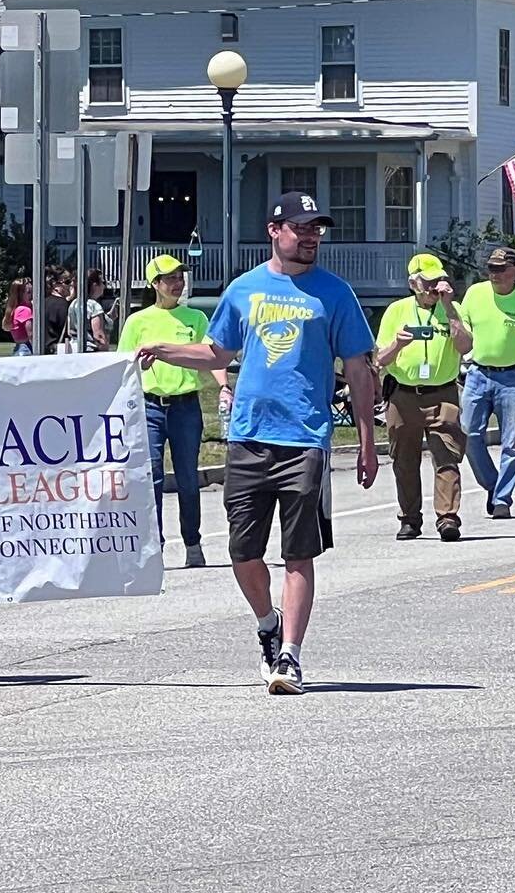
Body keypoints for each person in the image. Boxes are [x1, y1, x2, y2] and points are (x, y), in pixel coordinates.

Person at [136, 192, 377, 696]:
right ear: (275, 230)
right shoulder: (245, 289)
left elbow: (357, 368)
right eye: (301, 228)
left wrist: (368, 440)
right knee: (243, 552)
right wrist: (162, 349)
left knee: (298, 554)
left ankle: (289, 655)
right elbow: (216, 351)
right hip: (248, 437)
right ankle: (267, 622)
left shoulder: (335, 294)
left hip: (306, 439)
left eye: (316, 230)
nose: (310, 237)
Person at [116, 254, 211, 568]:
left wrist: (225, 385)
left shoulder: (195, 318)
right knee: (151, 478)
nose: (177, 283)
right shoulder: (138, 321)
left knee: (187, 478)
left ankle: (193, 544)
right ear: (154, 284)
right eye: (170, 278)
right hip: (150, 407)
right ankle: (153, 546)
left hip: (186, 407)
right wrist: (136, 366)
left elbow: (211, 355)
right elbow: (122, 365)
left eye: (180, 277)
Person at [375, 254, 472, 543]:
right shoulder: (396, 310)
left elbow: (465, 346)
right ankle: (409, 519)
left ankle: (448, 518)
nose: (435, 287)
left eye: (439, 281)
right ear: (413, 283)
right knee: (404, 460)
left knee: (447, 456)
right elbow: (379, 358)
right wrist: (398, 343)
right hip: (404, 395)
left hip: (443, 393)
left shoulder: (452, 309)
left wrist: (449, 310)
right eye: (429, 282)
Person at [458, 247, 515, 520]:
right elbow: (461, 333)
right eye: (491, 269)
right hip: (478, 374)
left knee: (511, 444)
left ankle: (501, 499)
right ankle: (493, 485)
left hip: (513, 378)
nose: (494, 274)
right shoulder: (475, 293)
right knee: (470, 436)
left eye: (500, 269)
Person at [68, 268, 111, 352]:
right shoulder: (94, 306)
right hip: (90, 351)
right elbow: (99, 336)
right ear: (95, 285)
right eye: (102, 282)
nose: (104, 286)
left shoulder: (74, 303)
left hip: (73, 348)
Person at [2, 277, 34, 356]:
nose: (32, 295)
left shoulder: (17, 309)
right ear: (20, 294)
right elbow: (31, 335)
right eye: (29, 292)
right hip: (27, 349)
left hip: (19, 348)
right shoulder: (24, 310)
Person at [42, 268, 71, 354]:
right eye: (67, 282)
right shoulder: (64, 305)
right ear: (54, 285)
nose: (70, 285)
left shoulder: (42, 303)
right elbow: (68, 330)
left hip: (42, 350)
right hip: (58, 350)